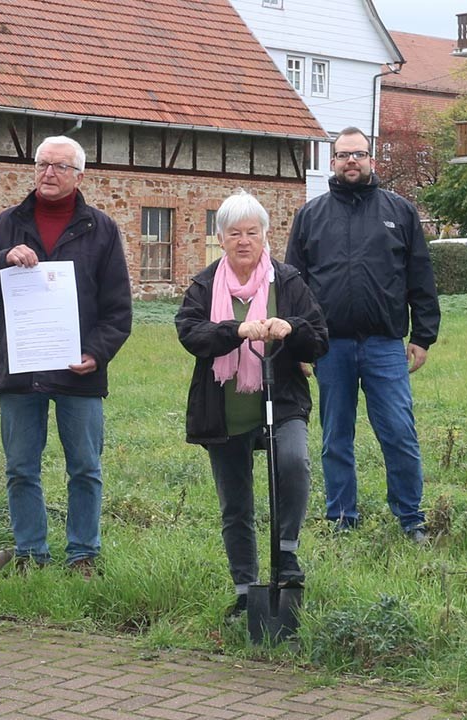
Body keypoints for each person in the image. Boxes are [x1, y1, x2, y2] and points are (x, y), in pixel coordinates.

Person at [0, 135, 132, 577]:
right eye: (42, 164)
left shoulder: (102, 228)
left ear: (79, 175)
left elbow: (118, 309)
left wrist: (96, 353)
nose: (48, 173)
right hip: (22, 371)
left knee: (85, 468)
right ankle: (31, 554)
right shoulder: (7, 223)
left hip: (80, 373)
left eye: (59, 166)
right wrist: (3, 258)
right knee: (21, 468)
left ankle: (82, 555)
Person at [176, 190, 328, 615]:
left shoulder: (289, 281)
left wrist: (290, 328)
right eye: (234, 233)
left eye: (253, 232)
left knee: (294, 462)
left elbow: (318, 339)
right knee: (235, 503)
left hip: (281, 399)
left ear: (266, 236)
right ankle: (245, 590)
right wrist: (236, 331)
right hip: (223, 410)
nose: (244, 241)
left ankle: (288, 554)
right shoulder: (205, 285)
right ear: (220, 238)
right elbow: (190, 333)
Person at [285, 127, 440, 542]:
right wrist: (300, 344)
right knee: (336, 436)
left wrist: (423, 335)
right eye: (343, 155)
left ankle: (411, 519)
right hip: (328, 346)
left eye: (359, 154)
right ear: (332, 162)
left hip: (385, 344)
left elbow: (420, 276)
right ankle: (341, 519)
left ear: (373, 160)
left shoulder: (400, 212)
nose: (351, 161)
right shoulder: (310, 215)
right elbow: (292, 284)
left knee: (399, 433)